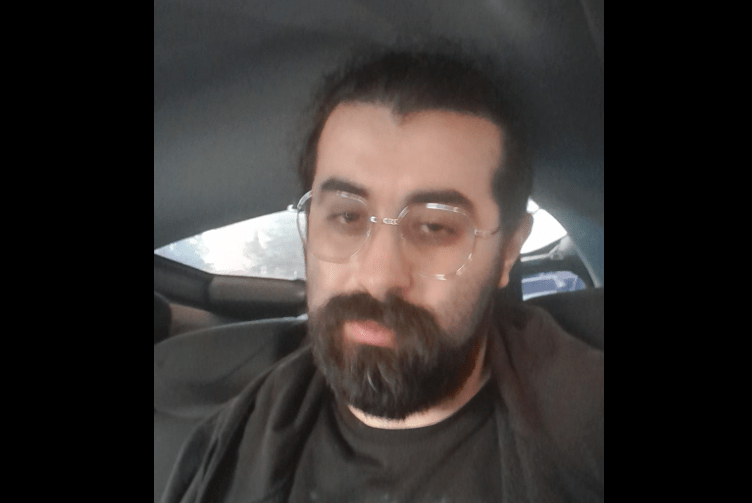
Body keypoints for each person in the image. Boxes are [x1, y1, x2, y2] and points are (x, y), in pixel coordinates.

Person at [162, 45, 604, 503]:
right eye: (347, 217)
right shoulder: (226, 452)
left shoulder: (586, 434)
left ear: (508, 251)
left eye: (434, 227)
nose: (378, 277)